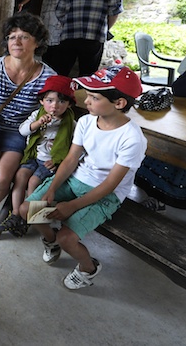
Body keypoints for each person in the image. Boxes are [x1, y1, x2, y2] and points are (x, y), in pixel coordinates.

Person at [18, 65, 147, 290]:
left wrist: (72, 206)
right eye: (87, 95)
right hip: (73, 180)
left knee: (67, 238)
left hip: (104, 194)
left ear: (119, 103)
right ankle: (50, 241)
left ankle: (88, 268)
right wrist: (51, 189)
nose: (86, 101)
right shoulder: (87, 121)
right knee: (27, 210)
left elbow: (110, 184)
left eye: (94, 97)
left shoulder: (132, 138)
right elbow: (70, 160)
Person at [0, 12, 56, 218]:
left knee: (1, 177)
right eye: (12, 36)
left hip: (19, 132)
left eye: (24, 36)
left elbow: (55, 113)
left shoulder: (48, 77)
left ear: (37, 42)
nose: (16, 41)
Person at [0, 75, 76, 238]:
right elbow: (23, 130)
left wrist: (57, 161)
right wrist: (38, 123)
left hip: (49, 163)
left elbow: (75, 148)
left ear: (69, 104)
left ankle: (29, 214)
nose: (54, 106)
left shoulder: (70, 124)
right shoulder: (37, 115)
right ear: (42, 101)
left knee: (33, 181)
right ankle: (17, 214)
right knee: (20, 176)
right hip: (33, 156)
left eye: (61, 102)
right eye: (50, 100)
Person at [40, 0, 72, 72]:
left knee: (60, 69)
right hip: (47, 39)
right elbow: (42, 16)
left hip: (62, 40)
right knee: (45, 67)